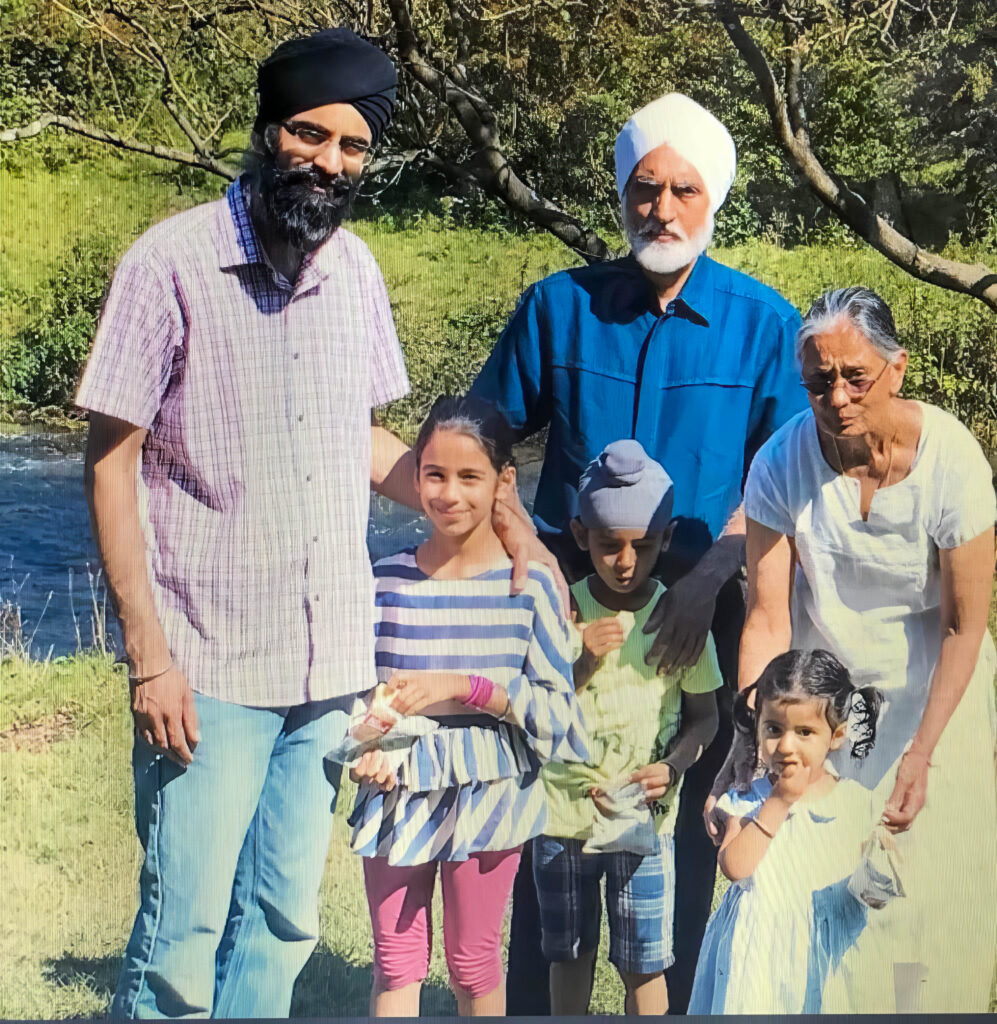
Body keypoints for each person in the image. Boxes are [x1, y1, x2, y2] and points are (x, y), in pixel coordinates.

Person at [78, 30, 545, 1018]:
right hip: (204, 664)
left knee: (283, 923)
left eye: (353, 147)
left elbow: (364, 438)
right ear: (265, 132)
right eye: (310, 135)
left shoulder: (358, 271)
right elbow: (109, 462)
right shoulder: (169, 266)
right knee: (182, 932)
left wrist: (493, 516)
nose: (330, 163)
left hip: (329, 669)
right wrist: (148, 652)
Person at [469, 91, 808, 1012]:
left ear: (715, 199)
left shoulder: (765, 324)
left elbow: (782, 480)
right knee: (558, 821)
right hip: (569, 626)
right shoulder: (557, 308)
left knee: (685, 830)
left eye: (684, 190)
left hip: (700, 615)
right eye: (645, 188)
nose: (661, 209)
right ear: (622, 193)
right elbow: (473, 442)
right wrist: (525, 552)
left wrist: (704, 579)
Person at [734, 286, 997, 1011]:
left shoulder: (951, 461)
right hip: (831, 711)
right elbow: (767, 619)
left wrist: (921, 754)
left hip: (936, 698)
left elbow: (963, 624)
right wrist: (751, 739)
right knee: (832, 902)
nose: (837, 396)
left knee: (931, 912)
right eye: (818, 381)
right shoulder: (780, 466)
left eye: (855, 376)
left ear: (896, 369)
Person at [327, 395, 590, 1017]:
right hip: (397, 787)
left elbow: (560, 718)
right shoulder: (384, 580)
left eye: (469, 477)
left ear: (504, 481)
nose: (449, 494)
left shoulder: (527, 590)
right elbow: (363, 693)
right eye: (434, 474)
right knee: (395, 961)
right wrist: (365, 744)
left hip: (490, 793)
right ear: (414, 475)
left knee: (473, 962)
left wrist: (469, 688)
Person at [533, 440, 722, 1016]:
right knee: (569, 953)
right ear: (579, 533)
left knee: (644, 962)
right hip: (562, 815)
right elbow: (531, 709)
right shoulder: (562, 610)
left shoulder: (678, 618)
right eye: (608, 545)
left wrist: (673, 766)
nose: (625, 561)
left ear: (665, 540)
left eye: (641, 546)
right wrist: (580, 661)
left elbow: (706, 718)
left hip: (644, 825)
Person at [689, 649, 884, 1014]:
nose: (786, 746)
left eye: (805, 732)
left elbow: (873, 895)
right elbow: (734, 866)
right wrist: (777, 802)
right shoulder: (749, 798)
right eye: (774, 729)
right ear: (757, 726)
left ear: (837, 735)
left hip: (824, 957)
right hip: (758, 960)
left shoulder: (855, 804)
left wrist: (885, 868)